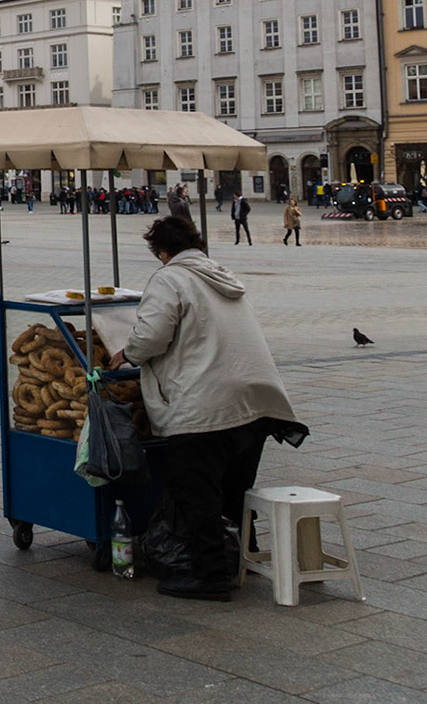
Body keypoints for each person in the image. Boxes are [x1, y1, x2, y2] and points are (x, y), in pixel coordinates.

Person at [109, 214, 307, 601]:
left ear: (161, 252)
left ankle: (210, 575)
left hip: (206, 403)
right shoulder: (220, 274)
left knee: (195, 490)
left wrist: (128, 353)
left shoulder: (169, 278)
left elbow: (152, 335)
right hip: (255, 400)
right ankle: (239, 558)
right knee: (234, 489)